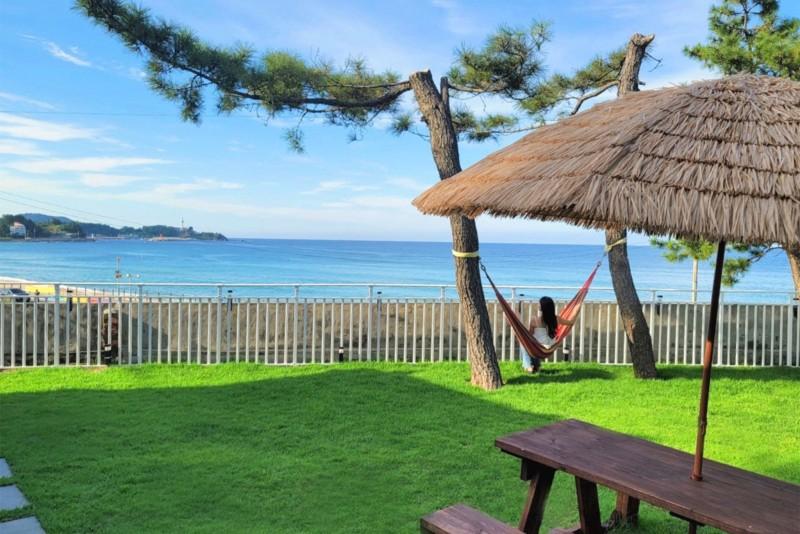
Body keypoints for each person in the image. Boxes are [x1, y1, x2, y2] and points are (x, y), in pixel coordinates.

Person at [520, 296, 573, 373]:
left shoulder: (534, 319)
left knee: (524, 344)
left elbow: (530, 335)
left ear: (543, 307)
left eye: (539, 304)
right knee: (531, 346)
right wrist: (574, 314)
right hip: (549, 346)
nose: (538, 305)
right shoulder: (556, 319)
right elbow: (570, 323)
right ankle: (536, 366)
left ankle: (528, 367)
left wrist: (520, 332)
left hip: (538, 345)